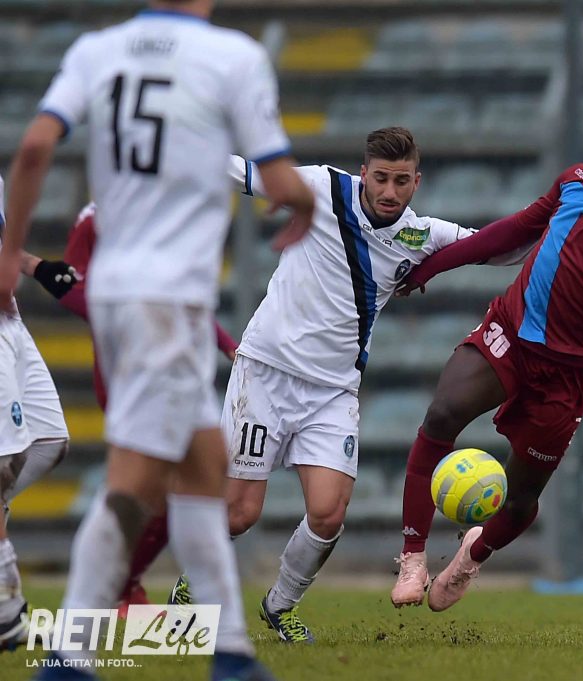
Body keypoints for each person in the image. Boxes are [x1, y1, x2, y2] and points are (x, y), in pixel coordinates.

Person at [0, 1, 315, 678]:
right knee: (135, 479)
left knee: (204, 464)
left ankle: (231, 653)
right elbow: (281, 179)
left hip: (117, 293)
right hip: (167, 300)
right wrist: (306, 203)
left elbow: (33, 148)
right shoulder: (233, 57)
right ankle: (68, 658)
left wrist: (8, 253)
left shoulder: (97, 49)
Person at [168, 126, 528, 643]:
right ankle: (191, 584)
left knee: (328, 513)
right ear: (363, 174)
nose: (389, 191)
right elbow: (247, 174)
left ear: (417, 182)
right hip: (266, 372)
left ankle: (280, 606)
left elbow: (499, 248)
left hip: (333, 391)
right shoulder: (323, 188)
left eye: (401, 181)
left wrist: (562, 229)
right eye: (380, 178)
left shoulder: (423, 235)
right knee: (240, 514)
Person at [389, 88, 583, 612]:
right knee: (442, 415)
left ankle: (472, 556)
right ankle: (411, 558)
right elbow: (514, 231)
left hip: (566, 371)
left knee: (520, 502)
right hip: (511, 334)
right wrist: (433, 265)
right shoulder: (575, 180)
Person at [19, 202, 239, 618]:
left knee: (183, 483)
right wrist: (128, 308)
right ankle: (113, 594)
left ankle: (124, 589)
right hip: (128, 370)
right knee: (152, 486)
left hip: (176, 364)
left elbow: (179, 299)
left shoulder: (169, 210)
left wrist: (227, 343)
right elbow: (71, 288)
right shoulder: (95, 218)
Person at [0, 173, 71, 652]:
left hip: (11, 321)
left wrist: (36, 266)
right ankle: (7, 615)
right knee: (3, 462)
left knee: (49, 441)